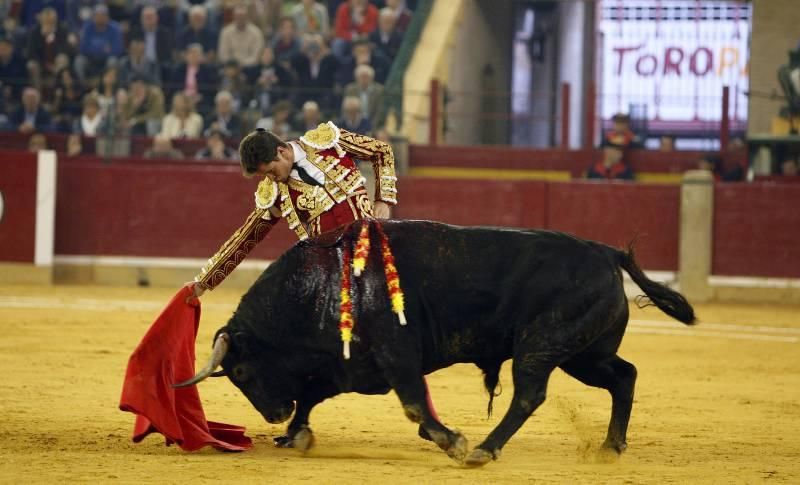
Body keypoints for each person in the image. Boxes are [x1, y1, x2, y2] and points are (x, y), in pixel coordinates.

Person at [218, 4, 265, 70]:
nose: (240, 19)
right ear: (233, 17)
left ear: (247, 17)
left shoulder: (256, 32)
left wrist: (241, 64)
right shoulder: (225, 32)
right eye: (238, 16)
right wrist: (233, 65)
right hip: (230, 68)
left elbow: (256, 56)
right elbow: (223, 55)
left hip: (250, 68)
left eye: (242, 16)